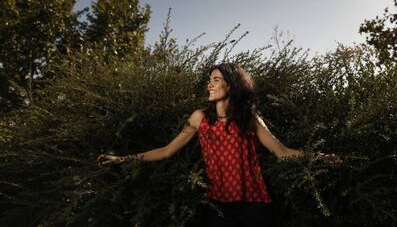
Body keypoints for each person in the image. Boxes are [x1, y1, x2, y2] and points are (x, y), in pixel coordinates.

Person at [97, 63, 340, 227]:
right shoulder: (199, 118)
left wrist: (317, 157)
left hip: (254, 206)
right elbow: (166, 151)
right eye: (209, 80)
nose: (209, 85)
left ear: (231, 85)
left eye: (216, 80)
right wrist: (123, 159)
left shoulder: (250, 119)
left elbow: (282, 152)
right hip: (216, 206)